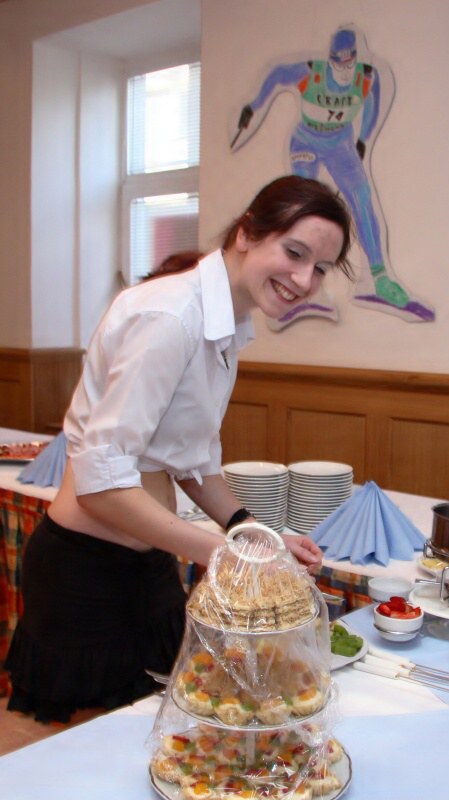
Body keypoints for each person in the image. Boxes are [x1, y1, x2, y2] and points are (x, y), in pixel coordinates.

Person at [6, 175, 353, 723]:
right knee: (91, 751)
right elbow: (100, 482)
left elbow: (193, 460)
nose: (304, 279)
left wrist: (253, 535)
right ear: (247, 233)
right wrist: (223, 555)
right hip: (85, 572)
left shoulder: (227, 323)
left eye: (321, 268)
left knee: (170, 733)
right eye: (294, 253)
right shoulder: (171, 314)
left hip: (150, 567)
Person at [232, 27, 434, 322]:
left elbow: (372, 105)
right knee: (302, 213)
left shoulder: (366, 77)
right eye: (339, 63)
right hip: (306, 141)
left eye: (349, 62)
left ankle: (379, 278)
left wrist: (363, 138)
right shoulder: (311, 72)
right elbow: (277, 75)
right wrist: (254, 105)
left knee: (362, 199)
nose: (344, 70)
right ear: (331, 60)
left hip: (340, 143)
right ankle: (299, 292)